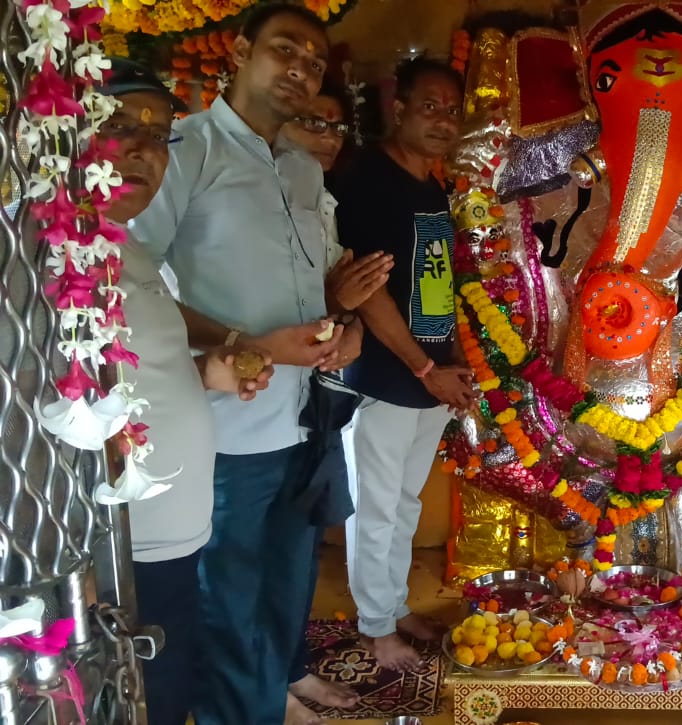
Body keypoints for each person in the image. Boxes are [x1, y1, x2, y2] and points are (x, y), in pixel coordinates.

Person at [129, 5, 352, 722]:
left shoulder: (302, 170)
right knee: (227, 607)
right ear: (239, 50)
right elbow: (133, 278)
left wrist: (341, 331)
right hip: (225, 426)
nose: (301, 70)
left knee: (286, 593)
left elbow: (310, 286)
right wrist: (240, 340)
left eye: (315, 63)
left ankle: (268, 700)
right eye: (286, 49)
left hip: (303, 417)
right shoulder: (183, 151)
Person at [96, 58, 274, 725]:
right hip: (116, 554)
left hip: (170, 537)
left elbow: (130, 376)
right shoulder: (39, 254)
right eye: (118, 125)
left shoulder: (126, 248)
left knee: (169, 695)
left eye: (159, 134)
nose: (143, 148)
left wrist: (210, 373)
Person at [333, 56, 476, 671]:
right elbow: (368, 292)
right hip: (386, 375)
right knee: (376, 505)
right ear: (398, 110)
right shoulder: (367, 179)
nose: (443, 121)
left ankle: (392, 607)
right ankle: (375, 627)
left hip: (429, 375)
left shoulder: (431, 186)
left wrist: (452, 362)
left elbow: (436, 285)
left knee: (407, 504)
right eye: (429, 107)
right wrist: (424, 368)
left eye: (452, 111)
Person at [278, 76, 393, 723]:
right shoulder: (259, 199)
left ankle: (292, 667)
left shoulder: (324, 200)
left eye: (335, 126)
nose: (326, 138)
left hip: (318, 398)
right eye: (311, 122)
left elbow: (342, 301)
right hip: (260, 400)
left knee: (301, 542)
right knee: (260, 551)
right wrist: (338, 307)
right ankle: (270, 687)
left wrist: (349, 326)